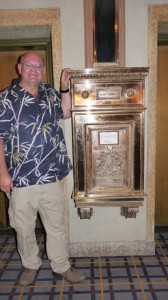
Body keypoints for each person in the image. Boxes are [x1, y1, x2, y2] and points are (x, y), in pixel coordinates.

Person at [0, 52, 86, 286]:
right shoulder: (6, 99)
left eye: (39, 66)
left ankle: (61, 265)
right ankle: (30, 265)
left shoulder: (48, 92)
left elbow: (65, 113)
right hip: (21, 178)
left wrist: (64, 88)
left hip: (49, 175)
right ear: (19, 68)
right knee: (24, 228)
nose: (34, 70)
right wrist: (3, 173)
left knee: (56, 225)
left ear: (43, 71)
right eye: (29, 65)